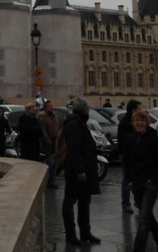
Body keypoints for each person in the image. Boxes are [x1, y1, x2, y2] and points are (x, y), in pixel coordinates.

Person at [123, 109, 158, 252]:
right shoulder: (129, 138)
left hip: (150, 184)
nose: (139, 123)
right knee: (147, 215)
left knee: (143, 219)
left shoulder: (154, 139)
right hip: (136, 183)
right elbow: (126, 161)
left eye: (142, 120)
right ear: (133, 122)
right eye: (137, 120)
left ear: (147, 122)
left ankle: (138, 248)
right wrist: (129, 179)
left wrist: (152, 179)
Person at [61, 97, 101, 246]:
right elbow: (74, 149)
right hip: (77, 171)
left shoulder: (79, 122)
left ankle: (85, 232)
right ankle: (71, 234)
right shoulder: (74, 124)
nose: (89, 110)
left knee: (84, 202)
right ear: (84, 110)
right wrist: (80, 171)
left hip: (84, 169)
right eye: (88, 108)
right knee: (70, 201)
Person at [117, 98, 142, 213]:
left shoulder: (134, 121)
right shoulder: (126, 124)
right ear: (133, 110)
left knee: (136, 178)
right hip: (128, 155)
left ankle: (137, 201)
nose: (142, 111)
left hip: (135, 154)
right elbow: (124, 143)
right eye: (139, 109)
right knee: (128, 179)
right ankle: (126, 204)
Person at [38, 99, 62, 188]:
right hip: (49, 144)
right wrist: (48, 140)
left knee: (55, 164)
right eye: (50, 106)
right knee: (50, 163)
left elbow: (59, 127)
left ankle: (52, 180)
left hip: (56, 143)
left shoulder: (55, 116)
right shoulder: (43, 118)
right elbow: (44, 131)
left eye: (52, 106)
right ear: (46, 108)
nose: (52, 108)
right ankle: (49, 181)